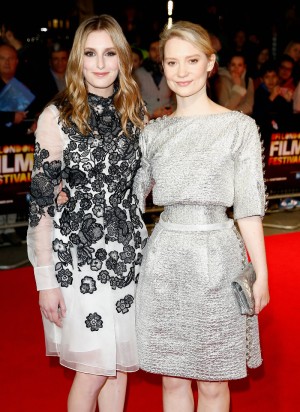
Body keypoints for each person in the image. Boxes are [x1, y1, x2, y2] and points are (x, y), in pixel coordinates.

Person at [133, 20, 270, 412]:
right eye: (172, 62)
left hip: (219, 260)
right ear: (162, 66)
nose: (181, 71)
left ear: (211, 63)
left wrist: (260, 270)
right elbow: (127, 200)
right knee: (172, 378)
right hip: (165, 262)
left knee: (213, 381)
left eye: (192, 60)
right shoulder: (153, 133)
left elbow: (248, 206)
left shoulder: (239, 128)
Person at [26, 14, 148, 412]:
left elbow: (138, 188)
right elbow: (41, 205)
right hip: (78, 259)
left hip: (128, 254)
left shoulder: (135, 112)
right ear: (78, 59)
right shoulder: (56, 116)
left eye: (109, 53)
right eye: (91, 53)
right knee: (94, 367)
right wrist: (45, 279)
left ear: (122, 59)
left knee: (119, 365)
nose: (100, 64)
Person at [0, 43, 38, 245]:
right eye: (2, 58)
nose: (7, 63)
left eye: (11, 59)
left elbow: (30, 112)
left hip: (17, 148)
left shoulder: (21, 85)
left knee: (14, 189)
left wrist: (33, 122)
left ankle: (11, 228)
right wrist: (8, 116)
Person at [133, 37, 175, 119]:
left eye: (160, 49)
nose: (157, 53)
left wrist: (171, 110)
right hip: (146, 122)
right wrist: (151, 114)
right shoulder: (138, 73)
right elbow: (132, 102)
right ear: (148, 52)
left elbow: (175, 100)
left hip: (168, 121)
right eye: (153, 49)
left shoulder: (172, 72)